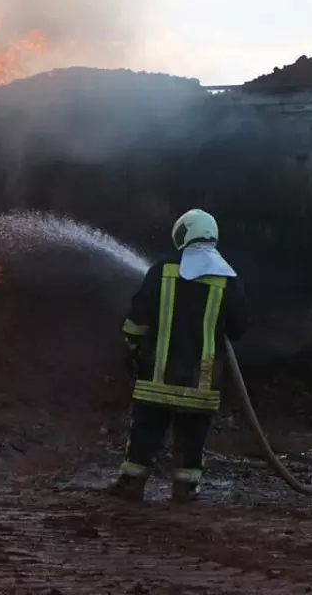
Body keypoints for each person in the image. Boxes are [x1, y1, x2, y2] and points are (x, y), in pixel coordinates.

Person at [112, 208, 249, 502]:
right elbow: (238, 329)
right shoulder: (227, 278)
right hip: (202, 380)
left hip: (157, 376)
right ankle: (185, 488)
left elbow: (138, 316)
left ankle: (132, 483)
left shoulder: (163, 270)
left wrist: (133, 348)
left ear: (184, 234)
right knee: (193, 436)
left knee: (146, 430)